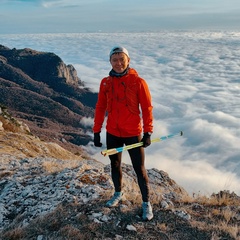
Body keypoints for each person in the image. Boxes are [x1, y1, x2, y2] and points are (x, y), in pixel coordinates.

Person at [93, 46, 154, 221]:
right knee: (115, 165)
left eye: (122, 59)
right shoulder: (106, 82)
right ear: (110, 61)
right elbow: (100, 107)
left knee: (139, 169)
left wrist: (148, 131)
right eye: (115, 60)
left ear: (128, 60)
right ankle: (118, 193)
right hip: (112, 132)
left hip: (133, 133)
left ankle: (146, 203)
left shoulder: (138, 82)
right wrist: (97, 131)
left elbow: (147, 108)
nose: (118, 63)